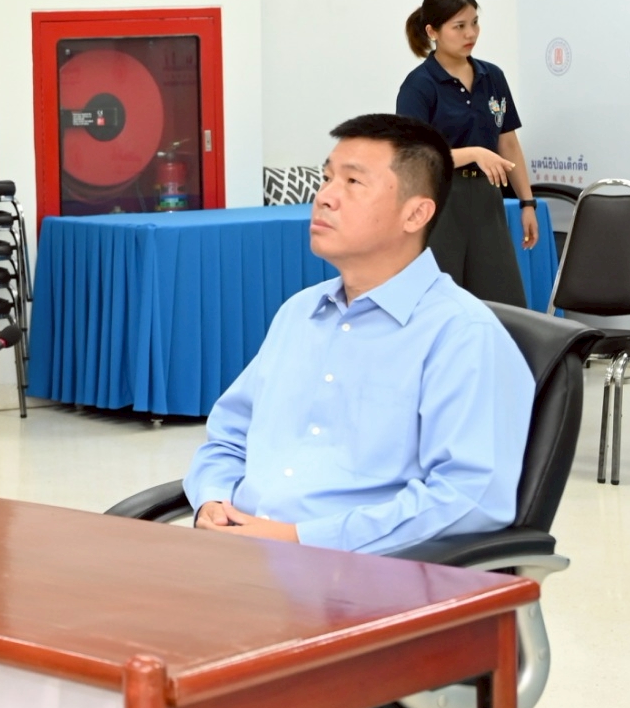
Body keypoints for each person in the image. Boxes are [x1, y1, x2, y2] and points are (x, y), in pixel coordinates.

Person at [184, 113, 532, 556]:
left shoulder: (462, 335)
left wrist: (300, 538)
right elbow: (230, 435)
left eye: (352, 182)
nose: (324, 197)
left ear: (415, 213)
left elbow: (469, 497)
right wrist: (214, 500)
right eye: (326, 177)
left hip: (358, 573)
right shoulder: (300, 313)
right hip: (242, 556)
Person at [395, 0, 536, 307]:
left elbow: (508, 143)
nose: (470, 33)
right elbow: (415, 155)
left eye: (474, 23)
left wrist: (527, 203)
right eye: (459, 26)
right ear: (432, 31)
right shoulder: (419, 85)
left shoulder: (492, 77)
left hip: (488, 199)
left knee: (505, 303)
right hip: (439, 200)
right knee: (439, 303)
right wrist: (473, 153)